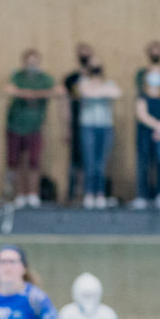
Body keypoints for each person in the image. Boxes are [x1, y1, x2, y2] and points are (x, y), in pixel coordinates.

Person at [4, 49, 56, 207]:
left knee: (34, 162)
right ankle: (19, 194)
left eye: (35, 62)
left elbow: (56, 91)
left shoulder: (45, 78)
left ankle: (33, 194)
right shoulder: (17, 76)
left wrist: (33, 94)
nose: (32, 65)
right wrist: (23, 93)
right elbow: (9, 89)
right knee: (16, 162)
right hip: (15, 125)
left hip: (35, 127)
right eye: (29, 62)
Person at [131, 67, 160, 210]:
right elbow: (142, 114)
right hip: (145, 133)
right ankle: (142, 196)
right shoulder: (142, 95)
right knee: (143, 164)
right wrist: (157, 126)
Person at [77, 60, 120, 208]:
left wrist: (97, 91)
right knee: (90, 161)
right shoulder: (83, 82)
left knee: (101, 163)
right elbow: (86, 92)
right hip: (88, 126)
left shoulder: (109, 84)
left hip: (105, 126)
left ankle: (100, 193)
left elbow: (116, 93)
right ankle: (89, 193)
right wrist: (99, 92)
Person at [62, 42, 96, 203]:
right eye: (81, 53)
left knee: (90, 158)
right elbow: (66, 101)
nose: (84, 56)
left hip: (93, 123)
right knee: (75, 160)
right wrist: (67, 125)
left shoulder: (95, 76)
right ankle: (74, 192)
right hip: (76, 122)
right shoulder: (72, 78)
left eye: (87, 52)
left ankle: (89, 191)